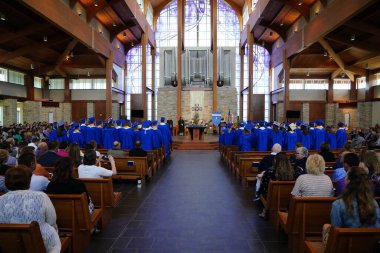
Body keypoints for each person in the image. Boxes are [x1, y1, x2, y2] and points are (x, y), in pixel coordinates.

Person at [0, 166, 61, 253]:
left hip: (8, 244)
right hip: (40, 242)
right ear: (28, 181)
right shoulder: (41, 196)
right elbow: (51, 221)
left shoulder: (1, 199)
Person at [322, 166, 380, 248]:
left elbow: (335, 233)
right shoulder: (373, 203)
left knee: (326, 227)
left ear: (348, 181)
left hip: (348, 247)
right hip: (371, 248)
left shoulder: (338, 204)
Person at [257, 152, 295, 217]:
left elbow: (264, 185)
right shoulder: (293, 172)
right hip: (287, 199)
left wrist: (258, 193)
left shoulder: (270, 172)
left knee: (261, 189)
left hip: (272, 198)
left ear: (275, 161)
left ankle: (264, 211)